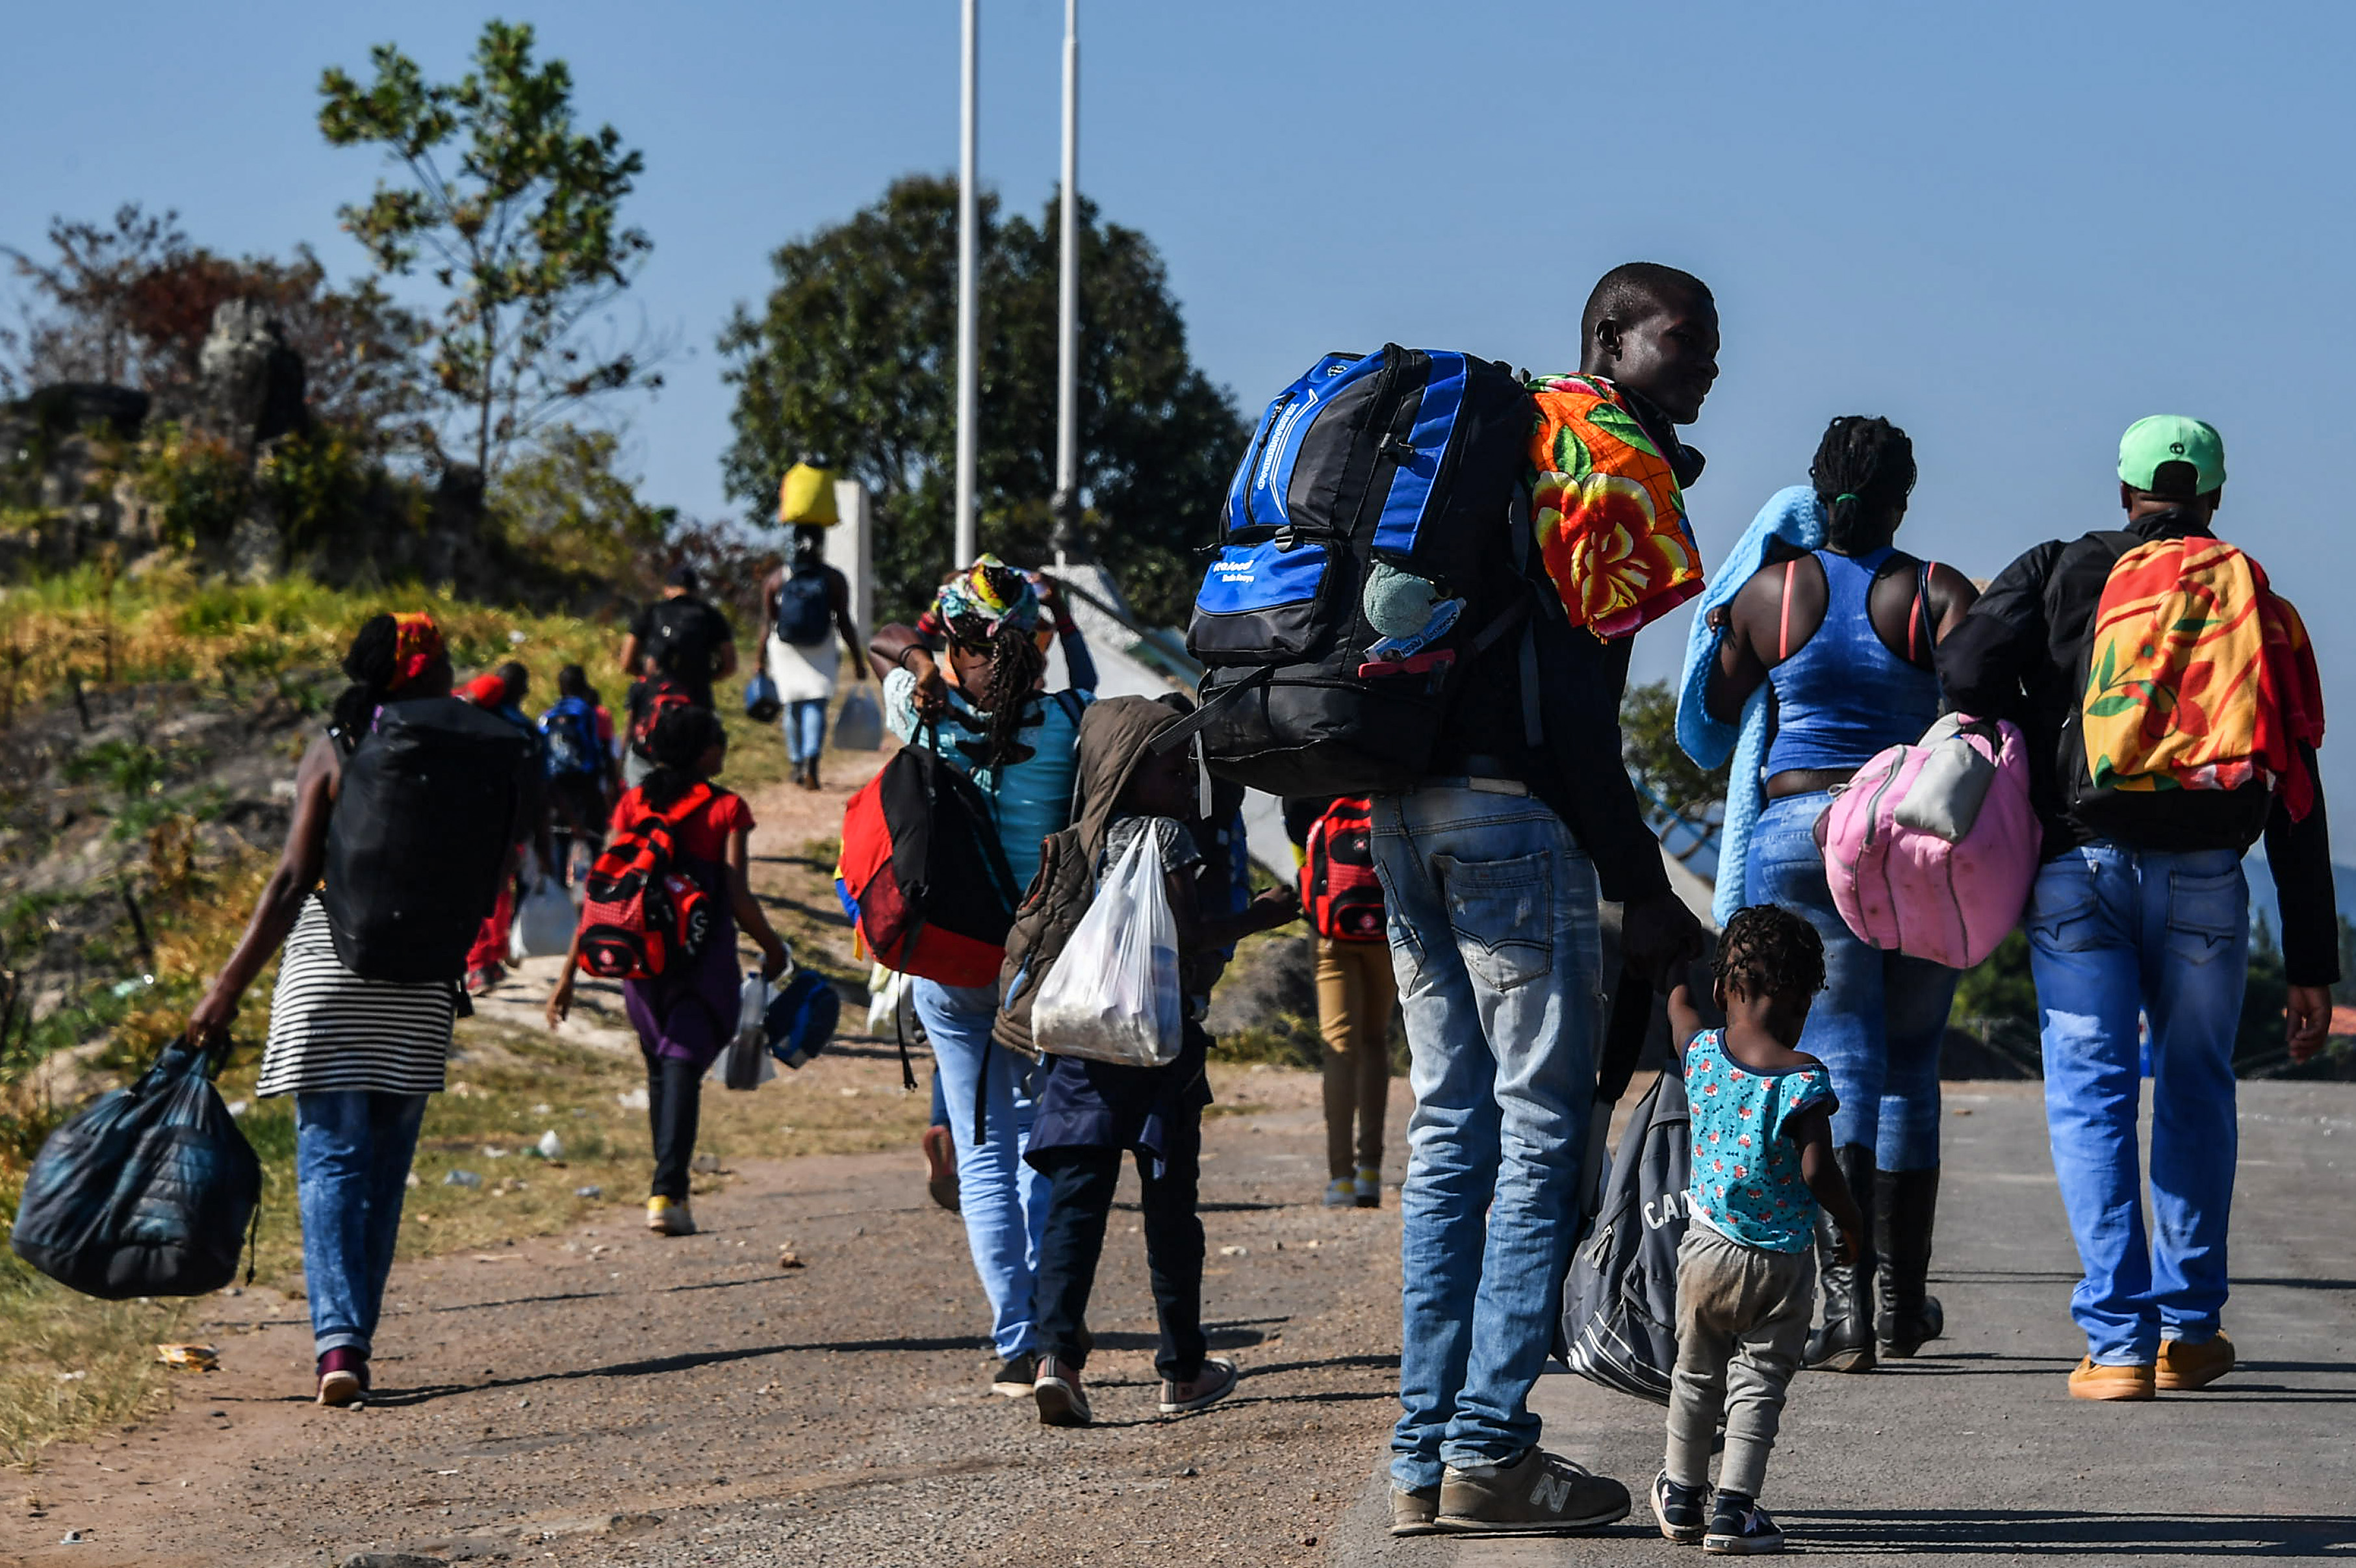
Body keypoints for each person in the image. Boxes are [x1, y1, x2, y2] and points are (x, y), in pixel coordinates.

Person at [1379, 262, 1711, 1538]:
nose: (1709, 364)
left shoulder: (1492, 443)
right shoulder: (1600, 460)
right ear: (1609, 341)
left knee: (1452, 1133)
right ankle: (1489, 1447)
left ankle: (1424, 1456)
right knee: (1532, 1139)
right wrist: (1646, 895)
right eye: (1686, 338)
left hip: (1400, 808)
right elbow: (1576, 715)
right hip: (1510, 820)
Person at [1938, 416, 2335, 1400]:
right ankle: (2189, 1332)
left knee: (2092, 1100)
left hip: (2079, 868)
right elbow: (2294, 778)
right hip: (2206, 874)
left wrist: (2047, 703)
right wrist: (2312, 961)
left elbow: (1961, 671)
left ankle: (2116, 1343)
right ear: (2213, 498)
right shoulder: (2254, 599)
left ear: (2123, 494)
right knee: (2197, 1088)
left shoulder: (2063, 567)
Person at [1700, 417, 1980, 1372]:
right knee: (1909, 1057)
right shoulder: (1935, 591)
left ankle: (1846, 1310)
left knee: (1840, 1048)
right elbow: (1978, 702)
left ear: (1818, 495)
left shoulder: (1769, 594)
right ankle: (1899, 1309)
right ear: (1903, 496)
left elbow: (1713, 710)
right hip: (1903, 838)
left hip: (1793, 834)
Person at [186, 613, 510, 1407]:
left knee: (332, 1160)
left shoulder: (334, 748)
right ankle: (355, 1335)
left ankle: (339, 1347)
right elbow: (500, 869)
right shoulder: (478, 750)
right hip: (425, 982)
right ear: (433, 674)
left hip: (330, 972)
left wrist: (222, 991)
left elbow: (290, 881)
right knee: (386, 1173)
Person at [1025, 697, 1301, 1426]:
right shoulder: (1166, 835)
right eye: (1172, 767)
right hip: (1156, 1050)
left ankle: (1057, 1359)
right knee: (1170, 1210)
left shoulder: (1080, 837)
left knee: (1075, 1207)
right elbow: (1188, 940)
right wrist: (1261, 915)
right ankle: (1182, 1370)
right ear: (1126, 770)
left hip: (1081, 1049)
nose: (1186, 781)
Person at [869, 556, 1093, 1396]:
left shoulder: (916, 713)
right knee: (1043, 1142)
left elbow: (883, 640)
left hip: (950, 963)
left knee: (984, 1150)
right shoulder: (1070, 723)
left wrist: (925, 663)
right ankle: (1046, 1333)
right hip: (1038, 963)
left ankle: (1013, 1337)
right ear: (1035, 643)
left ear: (955, 643)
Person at [1656, 906, 1867, 1556]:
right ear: (1804, 1000)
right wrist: (1853, 1224)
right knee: (1758, 1383)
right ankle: (1733, 1511)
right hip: (1779, 1263)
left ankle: (1682, 1493)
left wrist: (1674, 963)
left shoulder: (1700, 1054)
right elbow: (1816, 1169)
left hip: (1705, 1252)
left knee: (1694, 1375)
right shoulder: (1803, 1075)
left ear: (1727, 988)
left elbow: (1678, 1009)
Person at [546, 704, 789, 1236]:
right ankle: (668, 1190)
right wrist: (774, 948)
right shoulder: (728, 808)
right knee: (681, 1065)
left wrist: (569, 976)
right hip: (702, 961)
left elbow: (604, 891)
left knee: (662, 1065)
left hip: (641, 958)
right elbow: (738, 895)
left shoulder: (634, 802)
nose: (724, 747)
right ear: (702, 752)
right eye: (719, 739)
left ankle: (666, 1189)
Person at [1286, 795, 1396, 1209]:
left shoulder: (1310, 780)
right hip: (1385, 924)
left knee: (1338, 1045)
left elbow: (1299, 837)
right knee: (1374, 1041)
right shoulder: (1381, 763)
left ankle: (1340, 1180)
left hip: (1329, 923)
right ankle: (1371, 1171)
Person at [459, 662, 554, 993]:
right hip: (517, 826)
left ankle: (479, 965)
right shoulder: (531, 732)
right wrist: (544, 844)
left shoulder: (476, 724)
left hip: (475, 821)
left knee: (474, 892)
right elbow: (542, 792)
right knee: (501, 891)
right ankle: (492, 960)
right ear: (523, 692)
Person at [760, 524, 864, 791]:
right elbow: (844, 621)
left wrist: (759, 658)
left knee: (792, 705)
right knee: (815, 705)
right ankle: (812, 762)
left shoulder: (777, 578)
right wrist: (858, 659)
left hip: (785, 649)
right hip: (821, 646)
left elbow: (767, 622)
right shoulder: (833, 579)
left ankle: (796, 764)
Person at [621, 565, 737, 786]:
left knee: (642, 762)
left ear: (667, 590)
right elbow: (730, 665)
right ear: (696, 591)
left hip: (654, 702)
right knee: (693, 768)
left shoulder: (651, 612)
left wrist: (649, 679)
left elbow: (626, 662)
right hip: (697, 700)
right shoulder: (711, 616)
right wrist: (705, 678)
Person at [540, 663, 619, 888]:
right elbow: (605, 752)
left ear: (561, 687)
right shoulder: (596, 715)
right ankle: (597, 895)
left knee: (560, 843)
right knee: (594, 842)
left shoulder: (549, 715)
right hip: (587, 788)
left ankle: (557, 892)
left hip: (557, 788)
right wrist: (613, 789)